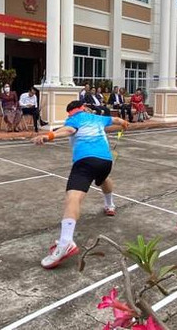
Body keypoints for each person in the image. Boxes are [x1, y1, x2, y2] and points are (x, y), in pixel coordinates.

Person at [32, 100, 129, 269]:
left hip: (85, 160)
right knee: (103, 179)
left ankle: (66, 242)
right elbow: (118, 121)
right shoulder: (98, 118)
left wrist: (49, 136)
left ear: (70, 113)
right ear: (83, 108)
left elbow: (68, 130)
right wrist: (124, 124)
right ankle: (110, 205)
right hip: (106, 161)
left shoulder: (74, 120)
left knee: (73, 198)